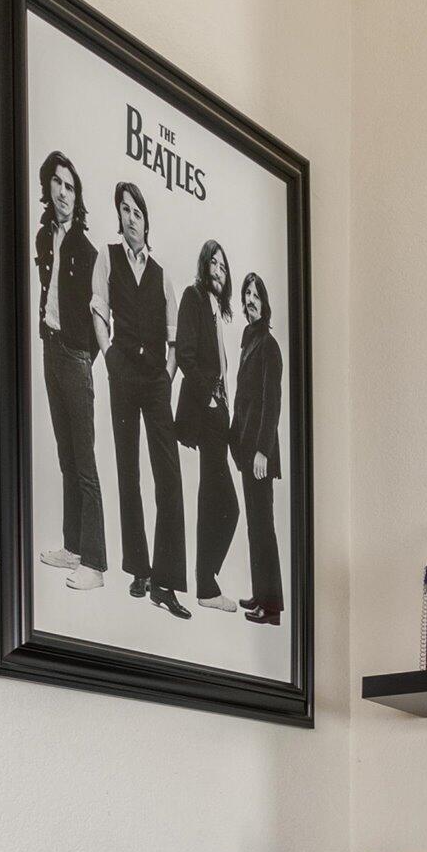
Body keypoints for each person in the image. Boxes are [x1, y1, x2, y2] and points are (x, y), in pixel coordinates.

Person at [102, 182, 188, 618]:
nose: (130, 217)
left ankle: (166, 582)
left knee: (168, 478)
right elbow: (99, 310)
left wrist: (167, 376)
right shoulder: (109, 257)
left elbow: (174, 336)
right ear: (119, 217)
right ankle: (139, 569)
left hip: (155, 379)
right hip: (122, 374)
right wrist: (109, 356)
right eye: (124, 210)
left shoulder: (161, 273)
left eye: (136, 211)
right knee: (128, 470)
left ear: (146, 219)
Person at [32, 151, 104, 588]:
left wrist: (81, 356)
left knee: (85, 461)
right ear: (49, 188)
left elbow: (98, 316)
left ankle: (94, 563)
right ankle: (72, 546)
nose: (63, 192)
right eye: (57, 183)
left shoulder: (88, 251)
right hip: (50, 348)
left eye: (70, 186)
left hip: (76, 358)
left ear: (78, 197)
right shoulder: (45, 238)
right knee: (65, 455)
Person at [174, 240, 242, 613]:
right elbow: (185, 353)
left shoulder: (218, 311)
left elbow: (220, 368)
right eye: (213, 263)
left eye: (224, 265)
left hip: (218, 416)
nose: (219, 269)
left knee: (214, 499)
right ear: (204, 266)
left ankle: (205, 584)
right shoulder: (193, 298)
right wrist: (212, 400)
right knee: (226, 505)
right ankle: (206, 584)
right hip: (204, 412)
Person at [231, 272, 285, 625]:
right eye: (246, 294)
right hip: (247, 450)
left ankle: (272, 606)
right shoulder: (249, 340)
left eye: (256, 294)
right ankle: (261, 594)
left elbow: (271, 402)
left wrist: (263, 450)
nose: (250, 299)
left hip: (259, 454)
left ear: (265, 303)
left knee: (263, 525)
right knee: (256, 525)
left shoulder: (268, 344)